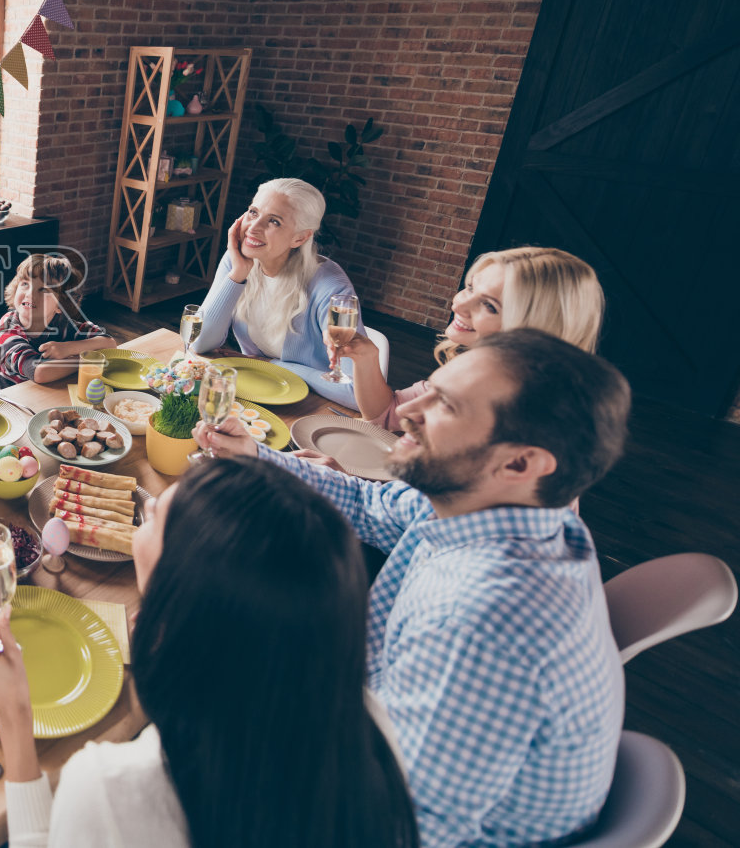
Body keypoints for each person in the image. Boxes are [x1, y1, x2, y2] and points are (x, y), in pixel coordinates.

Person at [198, 329, 632, 848]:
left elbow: (384, 827)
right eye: (429, 388)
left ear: (520, 462)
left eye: (444, 405)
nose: (407, 410)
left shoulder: (482, 626)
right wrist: (255, 457)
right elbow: (369, 506)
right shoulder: (513, 509)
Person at [0, 458, 418, 848]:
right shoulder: (373, 729)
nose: (151, 504)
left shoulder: (111, 789)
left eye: (160, 516)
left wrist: (15, 720)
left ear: (188, 587)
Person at [333, 246, 604, 431]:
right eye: (470, 287)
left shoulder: (527, 425)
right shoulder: (471, 370)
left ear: (534, 331)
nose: (459, 304)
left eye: (489, 306)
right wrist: (366, 357)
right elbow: (390, 414)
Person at [187, 177, 364, 405]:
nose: (254, 227)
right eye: (253, 212)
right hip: (255, 391)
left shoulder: (331, 286)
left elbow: (354, 392)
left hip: (313, 404)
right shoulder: (237, 261)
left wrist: (270, 364)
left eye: (274, 222)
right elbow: (199, 343)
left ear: (300, 237)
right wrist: (237, 275)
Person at [0, 253, 115, 387]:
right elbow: (39, 372)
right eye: (25, 284)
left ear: (60, 304)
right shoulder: (6, 330)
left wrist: (68, 348)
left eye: (44, 289)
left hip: (36, 393)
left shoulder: (61, 323)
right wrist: (85, 359)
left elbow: (109, 343)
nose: (30, 293)